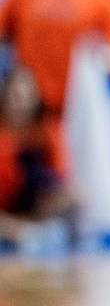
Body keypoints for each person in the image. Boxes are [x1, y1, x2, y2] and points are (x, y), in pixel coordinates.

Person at [0, 65, 70, 244]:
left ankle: (26, 230)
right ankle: (17, 231)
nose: (20, 104)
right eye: (15, 97)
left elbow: (59, 178)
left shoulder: (47, 132)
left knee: (75, 195)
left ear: (35, 99)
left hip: (33, 208)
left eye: (25, 97)